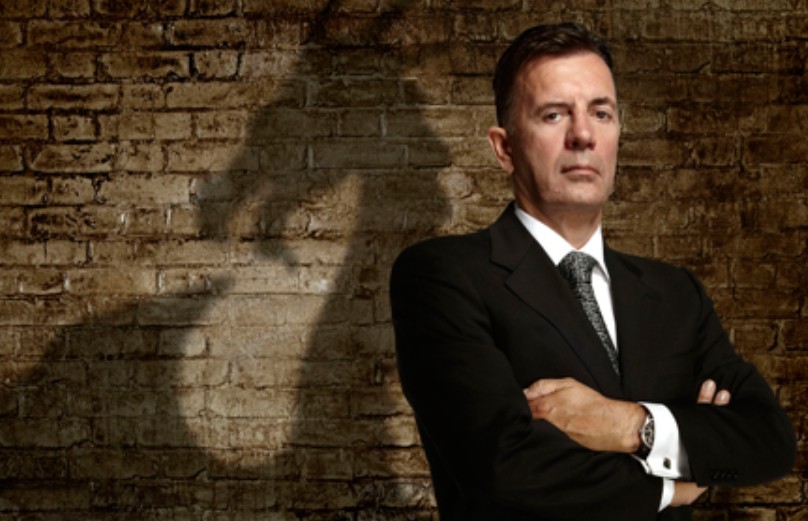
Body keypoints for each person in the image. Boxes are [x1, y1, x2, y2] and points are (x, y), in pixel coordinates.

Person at [389, 22, 795, 521]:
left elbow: (769, 440)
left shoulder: (675, 294)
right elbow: (503, 466)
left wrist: (632, 425)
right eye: (554, 114)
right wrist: (674, 481)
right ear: (504, 148)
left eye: (601, 113)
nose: (582, 135)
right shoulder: (443, 276)